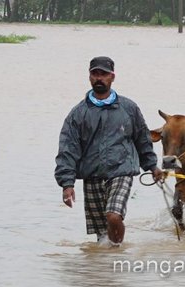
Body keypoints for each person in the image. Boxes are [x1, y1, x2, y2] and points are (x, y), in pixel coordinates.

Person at [54, 56, 163, 247]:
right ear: (89, 77)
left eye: (103, 74)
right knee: (102, 237)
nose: (99, 78)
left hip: (121, 171)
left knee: (113, 216)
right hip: (92, 175)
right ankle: (109, 267)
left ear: (112, 77)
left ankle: (118, 249)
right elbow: (68, 148)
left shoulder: (129, 108)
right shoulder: (78, 113)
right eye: (95, 74)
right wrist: (67, 183)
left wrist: (152, 166)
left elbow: (142, 139)